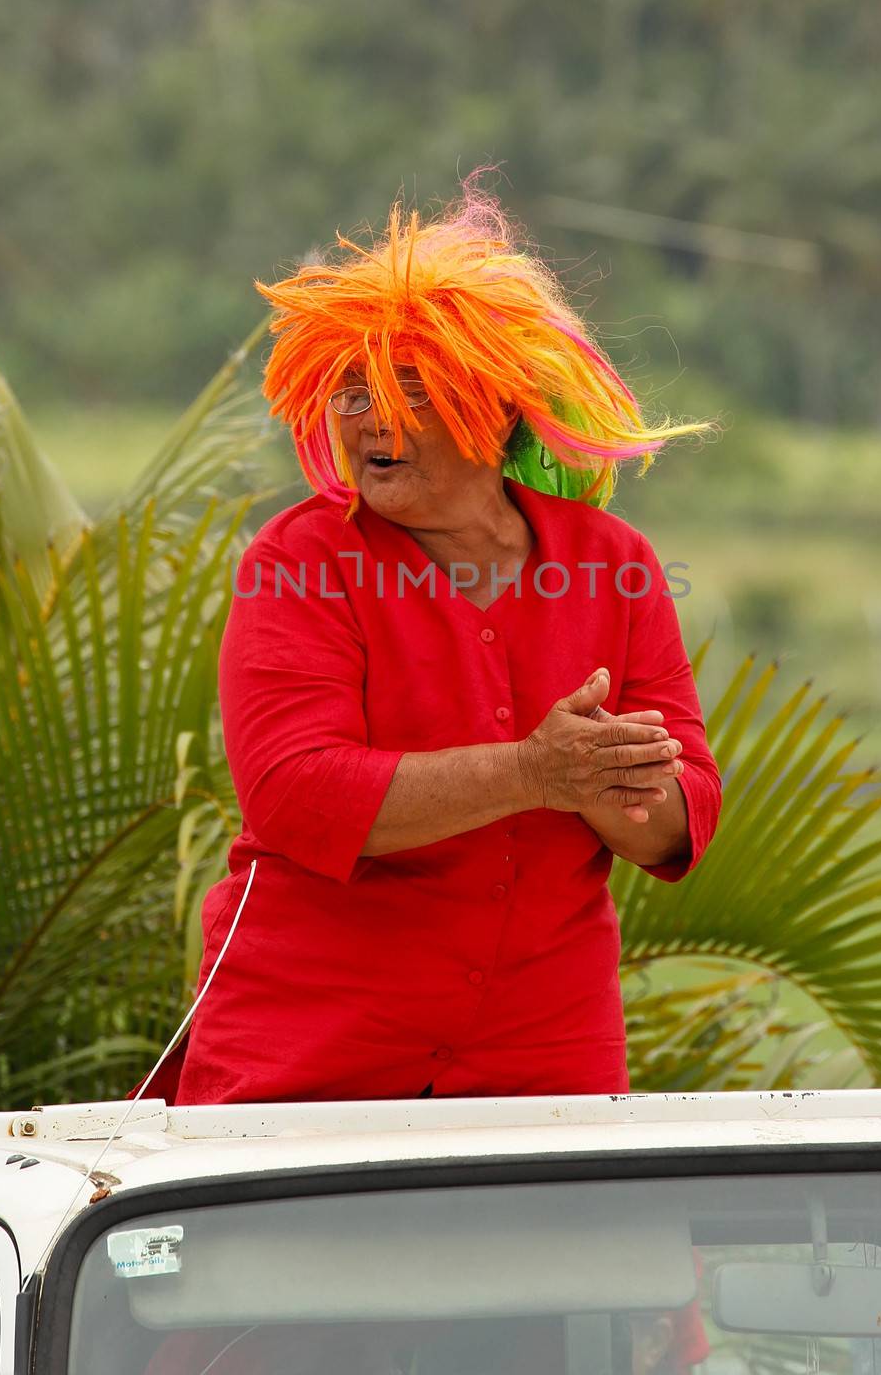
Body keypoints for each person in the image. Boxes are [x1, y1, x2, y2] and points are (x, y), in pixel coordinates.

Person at [152, 175, 723, 1108]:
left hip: (547, 1060)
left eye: (411, 388)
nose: (370, 418)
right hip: (310, 1057)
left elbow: (682, 814)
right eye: (348, 389)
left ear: (498, 404)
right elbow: (295, 795)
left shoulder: (613, 561)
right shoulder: (297, 559)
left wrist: (612, 781)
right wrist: (536, 773)